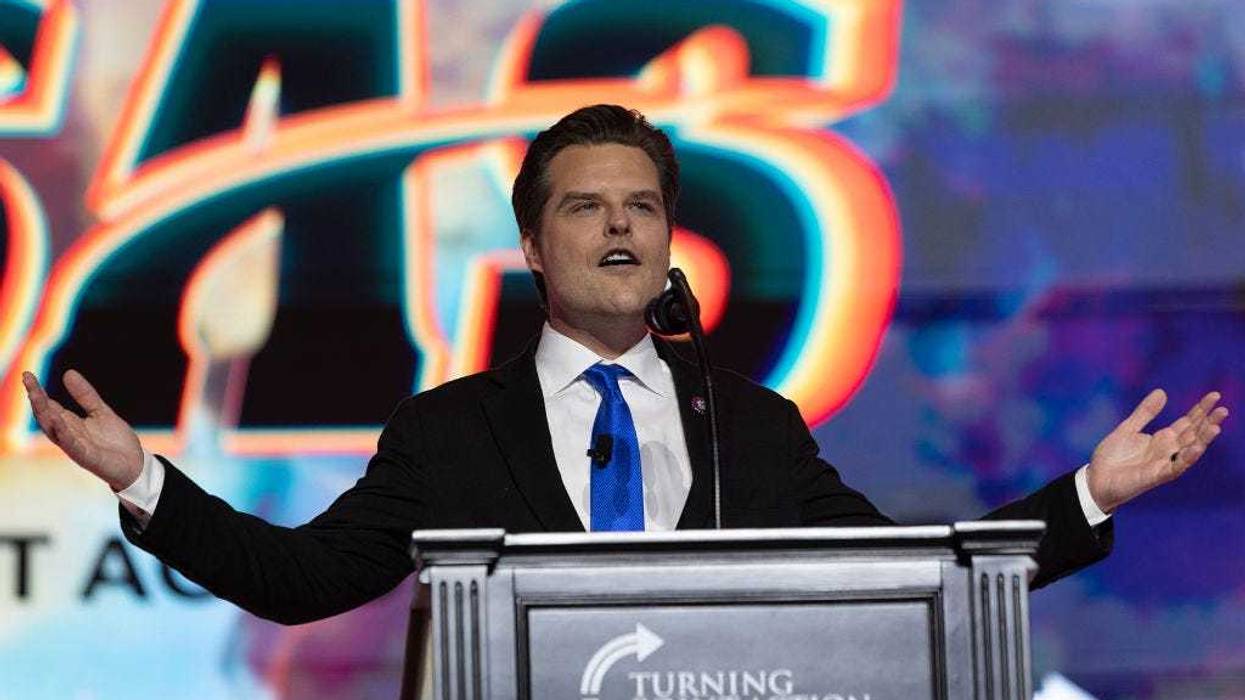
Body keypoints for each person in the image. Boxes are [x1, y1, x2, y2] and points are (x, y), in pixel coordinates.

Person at [22, 105, 1228, 625]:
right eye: (586, 207)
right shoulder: (450, 431)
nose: (619, 227)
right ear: (532, 246)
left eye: (642, 207)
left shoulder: (751, 426)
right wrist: (141, 477)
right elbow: (298, 580)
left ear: (668, 238)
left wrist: (1086, 497)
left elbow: (904, 579)